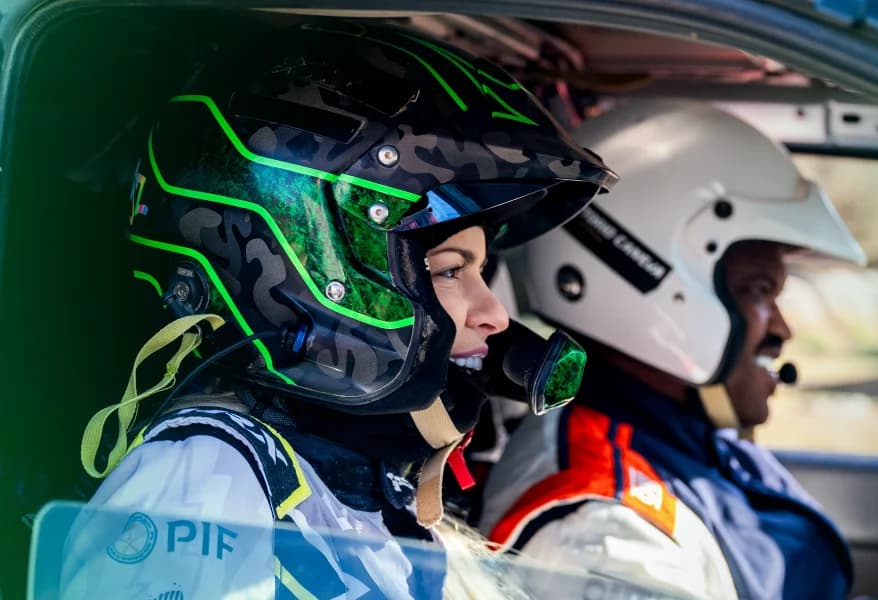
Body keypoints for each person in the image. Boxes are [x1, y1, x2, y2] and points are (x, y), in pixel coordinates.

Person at [61, 22, 614, 599]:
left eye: (478, 271)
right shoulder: (207, 483)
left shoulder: (368, 493)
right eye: (451, 269)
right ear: (317, 263)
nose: (496, 315)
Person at [480, 100, 864, 600]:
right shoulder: (601, 535)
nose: (782, 329)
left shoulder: (683, 435)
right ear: (656, 279)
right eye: (757, 291)